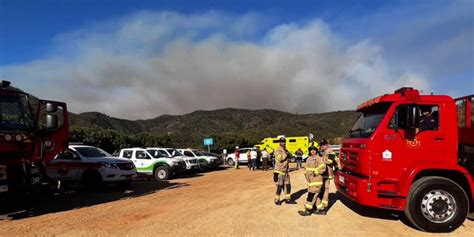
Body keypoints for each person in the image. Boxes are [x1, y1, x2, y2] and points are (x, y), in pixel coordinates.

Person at [298, 146, 326, 216]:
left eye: (314, 150)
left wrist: (317, 171)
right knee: (316, 196)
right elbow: (307, 169)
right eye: (311, 150)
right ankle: (321, 210)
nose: (312, 151)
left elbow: (323, 167)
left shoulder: (318, 158)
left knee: (311, 195)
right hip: (311, 181)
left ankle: (307, 211)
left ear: (316, 151)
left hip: (317, 180)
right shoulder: (309, 159)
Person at [317, 139, 341, 213]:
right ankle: (321, 206)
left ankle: (324, 208)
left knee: (325, 190)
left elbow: (333, 160)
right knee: (322, 190)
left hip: (327, 174)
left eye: (324, 145)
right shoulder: (324, 152)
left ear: (327, 144)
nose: (322, 146)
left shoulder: (330, 151)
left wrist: (323, 160)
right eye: (321, 145)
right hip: (323, 173)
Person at [273, 137, 296, 205]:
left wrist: (290, 156)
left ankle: (288, 199)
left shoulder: (285, 149)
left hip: (286, 171)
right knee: (279, 186)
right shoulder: (277, 150)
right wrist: (286, 154)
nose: (283, 143)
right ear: (279, 142)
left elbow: (287, 159)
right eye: (282, 141)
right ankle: (277, 200)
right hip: (279, 171)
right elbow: (280, 158)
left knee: (288, 185)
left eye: (284, 141)